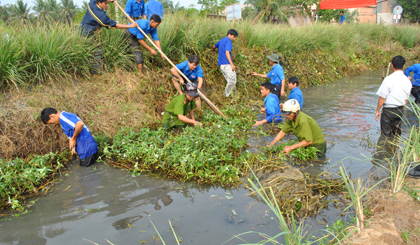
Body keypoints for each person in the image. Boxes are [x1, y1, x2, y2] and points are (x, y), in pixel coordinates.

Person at [80, 0, 138, 74]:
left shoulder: (92, 4)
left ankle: (90, 69)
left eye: (107, 3)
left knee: (90, 50)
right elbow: (115, 25)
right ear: (99, 3)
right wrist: (130, 26)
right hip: (88, 33)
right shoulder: (102, 16)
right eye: (105, 3)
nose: (107, 5)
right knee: (96, 52)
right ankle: (95, 73)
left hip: (82, 29)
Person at [375, 55, 412, 138]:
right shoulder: (407, 81)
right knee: (397, 134)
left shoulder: (388, 79)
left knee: (385, 135)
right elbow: (406, 100)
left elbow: (382, 97)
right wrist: (401, 109)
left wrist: (378, 110)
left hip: (388, 111)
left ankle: (386, 149)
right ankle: (395, 149)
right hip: (400, 110)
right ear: (403, 66)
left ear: (392, 65)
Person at [212, 29, 239, 97]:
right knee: (232, 81)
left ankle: (231, 95)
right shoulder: (228, 42)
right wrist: (232, 64)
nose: (234, 38)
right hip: (227, 64)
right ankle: (226, 95)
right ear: (229, 34)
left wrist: (212, 50)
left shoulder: (221, 40)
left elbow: (214, 46)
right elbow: (227, 53)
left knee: (231, 80)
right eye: (233, 36)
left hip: (221, 65)